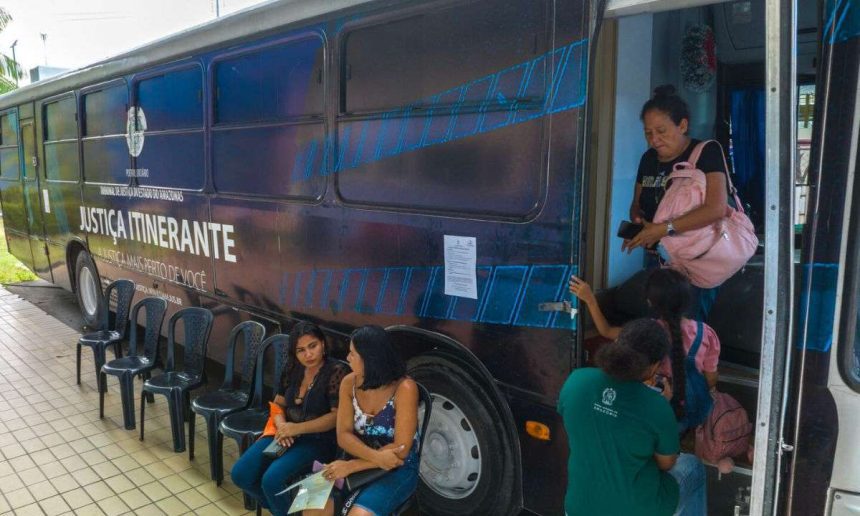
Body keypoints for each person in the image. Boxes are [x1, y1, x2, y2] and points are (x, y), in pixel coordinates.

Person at [558, 318, 706, 516]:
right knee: (693, 466)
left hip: (578, 508)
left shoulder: (576, 380)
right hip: (639, 509)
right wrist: (660, 405)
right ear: (654, 367)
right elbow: (666, 463)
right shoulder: (657, 406)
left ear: (616, 344)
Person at [624, 84, 732, 319]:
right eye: (648, 132)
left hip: (697, 258)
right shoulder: (648, 159)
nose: (654, 139)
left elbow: (716, 208)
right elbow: (637, 203)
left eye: (661, 130)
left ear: (682, 125)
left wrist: (663, 229)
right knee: (660, 323)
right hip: (660, 257)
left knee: (688, 328)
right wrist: (639, 227)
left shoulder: (706, 153)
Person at [570, 269, 720, 425]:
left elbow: (606, 331)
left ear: (650, 302)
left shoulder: (646, 332)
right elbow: (711, 379)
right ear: (688, 300)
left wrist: (590, 299)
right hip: (696, 411)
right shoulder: (707, 334)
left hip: (660, 410)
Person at [231, 322, 349, 516]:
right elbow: (277, 404)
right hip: (285, 433)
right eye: (301, 350)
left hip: (318, 440)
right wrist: (283, 425)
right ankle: (286, 510)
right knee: (240, 474)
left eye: (313, 346)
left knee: (271, 480)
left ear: (323, 344)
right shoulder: (293, 368)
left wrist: (297, 429)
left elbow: (336, 417)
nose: (308, 354)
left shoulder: (336, 371)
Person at [306, 325, 419, 516]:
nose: (347, 358)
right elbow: (343, 435)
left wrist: (352, 467)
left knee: (359, 514)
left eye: (352, 354)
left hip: (397, 468)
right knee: (311, 500)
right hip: (355, 456)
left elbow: (401, 450)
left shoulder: (405, 388)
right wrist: (369, 458)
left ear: (370, 360)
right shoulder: (349, 382)